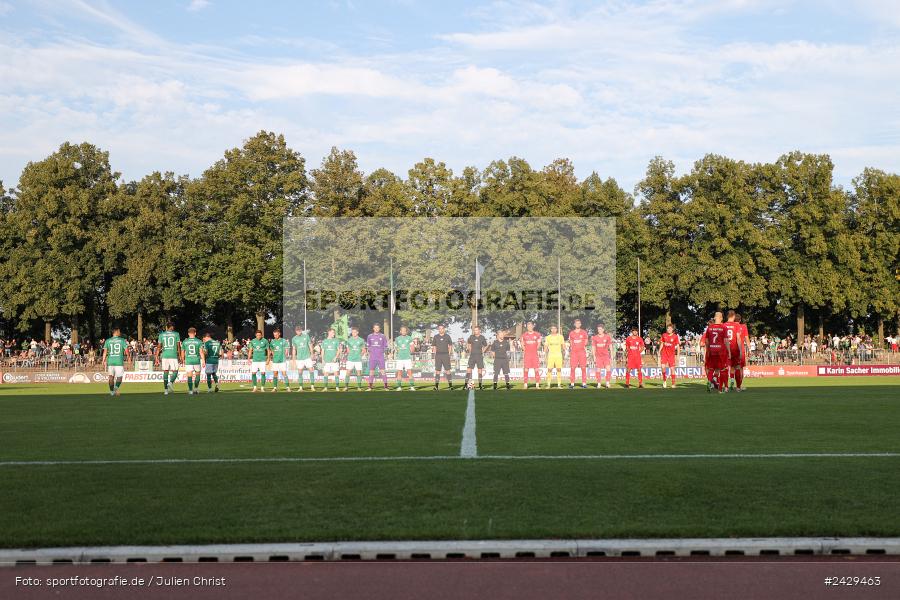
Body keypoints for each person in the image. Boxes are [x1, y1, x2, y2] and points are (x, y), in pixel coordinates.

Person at [701, 312, 731, 393]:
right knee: (723, 369)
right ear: (721, 318)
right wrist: (729, 351)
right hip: (721, 351)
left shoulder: (709, 328)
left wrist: (708, 350)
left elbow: (706, 341)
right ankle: (721, 389)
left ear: (714, 318)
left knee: (711, 368)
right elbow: (726, 340)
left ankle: (709, 382)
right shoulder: (724, 327)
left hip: (712, 350)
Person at [155, 323, 181, 395]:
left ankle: (166, 390)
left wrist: (156, 357)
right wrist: (180, 356)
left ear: (167, 327)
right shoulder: (176, 334)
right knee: (175, 371)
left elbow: (159, 347)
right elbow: (178, 346)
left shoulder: (161, 335)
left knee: (165, 371)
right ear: (172, 327)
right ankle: (170, 382)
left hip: (165, 355)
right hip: (173, 355)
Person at [102, 327, 128, 396]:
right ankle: (115, 390)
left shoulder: (107, 341)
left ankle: (111, 392)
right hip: (119, 361)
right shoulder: (122, 340)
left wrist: (103, 360)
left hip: (110, 361)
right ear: (116, 332)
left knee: (111, 377)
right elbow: (126, 350)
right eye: (119, 331)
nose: (120, 333)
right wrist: (129, 358)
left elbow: (105, 352)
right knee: (119, 377)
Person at [723, 310, 744, 391]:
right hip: (735, 349)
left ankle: (726, 387)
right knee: (737, 367)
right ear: (734, 316)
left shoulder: (723, 325)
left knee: (725, 368)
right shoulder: (736, 325)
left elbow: (723, 339)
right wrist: (740, 350)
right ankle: (738, 387)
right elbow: (738, 338)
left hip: (725, 349)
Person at [181, 327, 205, 395]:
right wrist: (203, 361)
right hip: (196, 360)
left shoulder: (185, 341)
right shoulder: (199, 341)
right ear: (195, 333)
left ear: (188, 333)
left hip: (188, 361)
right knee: (197, 375)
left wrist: (182, 360)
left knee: (189, 376)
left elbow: (182, 352)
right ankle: (196, 388)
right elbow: (201, 352)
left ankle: (190, 390)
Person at [366, 324, 389, 391]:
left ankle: (386, 387)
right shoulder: (369, 336)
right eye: (375, 328)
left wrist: (385, 354)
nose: (376, 329)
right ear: (373, 328)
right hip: (372, 357)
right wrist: (369, 352)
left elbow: (385, 346)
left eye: (377, 328)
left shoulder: (382, 336)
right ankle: (370, 387)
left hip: (380, 357)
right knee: (371, 372)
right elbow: (368, 346)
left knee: (383, 372)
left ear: (379, 328)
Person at [291, 326, 315, 391]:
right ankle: (301, 387)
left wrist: (312, 354)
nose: (298, 331)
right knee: (300, 372)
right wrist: (293, 359)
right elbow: (294, 349)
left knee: (311, 371)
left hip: (307, 357)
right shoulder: (294, 339)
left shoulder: (306, 336)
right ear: (295, 331)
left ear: (301, 330)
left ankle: (312, 386)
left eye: (299, 330)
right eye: (297, 330)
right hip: (299, 358)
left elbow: (310, 345)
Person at [393, 326, 416, 391]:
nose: (403, 332)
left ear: (406, 331)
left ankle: (412, 387)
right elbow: (396, 347)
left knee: (410, 372)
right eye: (402, 330)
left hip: (407, 358)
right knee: (399, 373)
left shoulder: (409, 338)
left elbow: (412, 347)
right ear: (400, 331)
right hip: (400, 358)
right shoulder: (397, 339)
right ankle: (399, 387)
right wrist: (397, 352)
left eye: (404, 331)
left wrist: (411, 352)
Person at [431, 324, 454, 390]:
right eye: (439, 329)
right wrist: (435, 354)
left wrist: (449, 353)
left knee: (448, 370)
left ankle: (450, 386)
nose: (440, 330)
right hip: (438, 355)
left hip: (445, 355)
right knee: (437, 371)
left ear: (444, 329)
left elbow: (450, 345)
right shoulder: (436, 337)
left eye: (442, 328)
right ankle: (436, 386)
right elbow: (434, 346)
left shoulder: (447, 336)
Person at [344, 326, 367, 391]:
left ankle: (359, 387)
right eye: (352, 332)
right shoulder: (349, 340)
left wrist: (360, 355)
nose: (353, 333)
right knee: (348, 372)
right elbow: (348, 349)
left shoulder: (361, 340)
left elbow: (363, 350)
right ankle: (346, 387)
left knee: (359, 373)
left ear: (357, 332)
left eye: (354, 332)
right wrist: (350, 354)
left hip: (358, 359)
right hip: (350, 359)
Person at [568, 319, 589, 389]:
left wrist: (582, 346)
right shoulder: (571, 333)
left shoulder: (584, 332)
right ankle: (572, 384)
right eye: (576, 323)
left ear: (580, 324)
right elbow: (571, 342)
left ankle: (584, 383)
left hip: (582, 352)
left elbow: (586, 341)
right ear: (574, 324)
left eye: (579, 323)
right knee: (572, 368)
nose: (578, 324)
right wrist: (573, 348)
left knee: (583, 368)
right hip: (574, 353)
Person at [591, 324, 614, 388]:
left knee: (608, 369)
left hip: (606, 356)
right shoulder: (595, 337)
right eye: (598, 329)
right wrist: (594, 356)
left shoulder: (607, 337)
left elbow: (610, 346)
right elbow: (593, 347)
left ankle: (607, 383)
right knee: (598, 370)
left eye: (600, 329)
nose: (599, 330)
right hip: (598, 356)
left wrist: (612, 355)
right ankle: (599, 383)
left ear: (603, 330)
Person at [520, 322, 542, 389]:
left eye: (530, 326)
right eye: (528, 326)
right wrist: (526, 351)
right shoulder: (524, 335)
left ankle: (537, 384)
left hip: (534, 355)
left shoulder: (537, 334)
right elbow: (522, 344)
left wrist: (535, 350)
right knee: (526, 369)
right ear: (527, 327)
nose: (529, 327)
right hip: (527, 355)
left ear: (533, 326)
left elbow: (539, 344)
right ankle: (525, 384)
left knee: (536, 369)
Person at [659, 324, 680, 388]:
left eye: (670, 328)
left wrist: (678, 355)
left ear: (672, 329)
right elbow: (662, 344)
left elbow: (678, 346)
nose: (669, 330)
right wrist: (659, 351)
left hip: (671, 355)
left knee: (672, 369)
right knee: (663, 367)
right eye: (668, 328)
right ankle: (664, 380)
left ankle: (673, 383)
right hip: (664, 354)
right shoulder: (664, 335)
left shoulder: (675, 336)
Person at [734, 313, 750, 391]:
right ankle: (739, 386)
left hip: (732, 349)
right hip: (741, 350)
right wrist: (750, 349)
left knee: (732, 368)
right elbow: (746, 338)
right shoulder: (743, 326)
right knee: (740, 368)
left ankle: (729, 385)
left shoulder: (731, 326)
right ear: (740, 320)